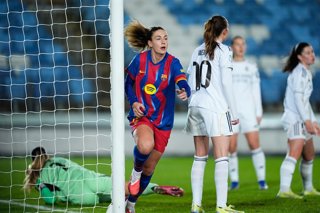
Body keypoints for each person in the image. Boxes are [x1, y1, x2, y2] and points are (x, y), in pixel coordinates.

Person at [124, 20, 190, 213]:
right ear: (150, 43)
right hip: (142, 116)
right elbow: (128, 84)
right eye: (159, 38)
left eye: (166, 38)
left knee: (149, 169)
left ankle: (130, 205)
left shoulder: (173, 63)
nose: (163, 41)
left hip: (163, 123)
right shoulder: (139, 60)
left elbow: (182, 80)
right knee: (145, 145)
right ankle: (134, 176)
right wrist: (134, 102)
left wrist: (185, 90)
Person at [185, 15, 244, 213]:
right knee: (221, 156)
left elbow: (190, 79)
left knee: (199, 157)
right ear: (225, 32)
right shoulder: (224, 50)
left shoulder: (196, 50)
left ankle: (196, 205)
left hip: (195, 105)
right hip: (214, 106)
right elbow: (226, 83)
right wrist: (234, 112)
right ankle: (221, 206)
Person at [23, 147, 184, 205]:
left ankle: (121, 200)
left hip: (80, 195)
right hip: (93, 179)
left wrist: (43, 187)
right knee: (126, 188)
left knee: (103, 199)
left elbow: (50, 201)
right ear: (46, 155)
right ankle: (154, 187)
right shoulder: (59, 159)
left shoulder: (42, 176)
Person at [277, 42, 320, 199]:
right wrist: (307, 121)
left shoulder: (307, 72)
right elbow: (297, 99)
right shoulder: (298, 73)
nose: (312, 55)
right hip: (294, 118)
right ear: (300, 57)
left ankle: (308, 188)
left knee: (309, 154)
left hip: (302, 118)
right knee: (294, 153)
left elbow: (305, 101)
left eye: (312, 51)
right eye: (308, 52)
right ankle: (284, 190)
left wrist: (312, 120)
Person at [228, 36, 268, 190]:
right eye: (237, 44)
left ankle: (262, 180)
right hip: (231, 112)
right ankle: (235, 181)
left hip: (248, 111)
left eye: (243, 44)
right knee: (231, 147)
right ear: (232, 47)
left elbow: (256, 90)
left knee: (254, 144)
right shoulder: (227, 66)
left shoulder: (251, 66)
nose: (241, 47)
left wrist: (259, 111)